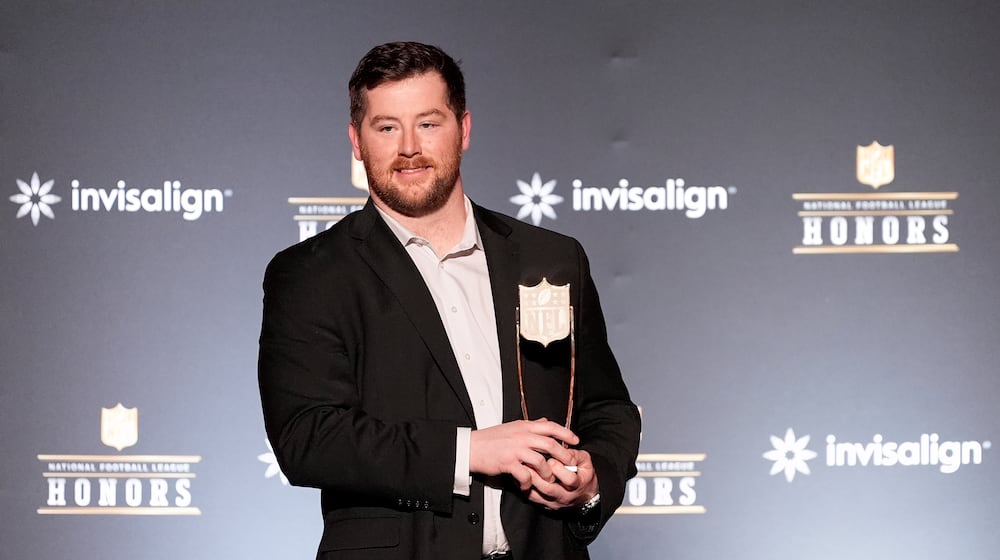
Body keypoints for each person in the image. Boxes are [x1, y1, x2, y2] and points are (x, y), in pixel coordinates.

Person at [258, 41, 640, 560]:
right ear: (356, 139)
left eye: (429, 123)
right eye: (387, 127)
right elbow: (309, 438)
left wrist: (593, 483)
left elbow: (607, 408)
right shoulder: (311, 274)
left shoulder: (550, 259)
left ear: (464, 129)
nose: (409, 146)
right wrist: (469, 451)